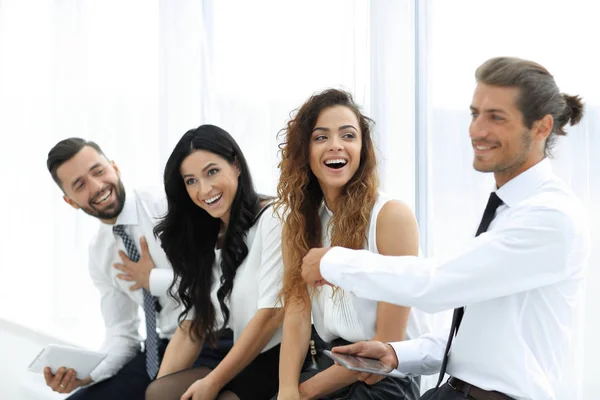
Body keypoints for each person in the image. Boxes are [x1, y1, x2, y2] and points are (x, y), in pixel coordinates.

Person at [300, 57, 590, 400]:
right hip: (451, 391)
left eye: (496, 117)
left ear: (541, 128)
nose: (477, 130)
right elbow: (479, 337)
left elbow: (434, 283)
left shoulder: (550, 216)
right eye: (474, 114)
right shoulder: (508, 210)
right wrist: (397, 354)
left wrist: (332, 262)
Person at [45, 138, 231, 400]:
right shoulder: (100, 252)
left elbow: (217, 285)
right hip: (159, 350)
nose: (97, 186)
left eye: (98, 171)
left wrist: (154, 279)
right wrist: (88, 374)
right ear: (71, 201)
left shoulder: (168, 207)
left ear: (115, 167)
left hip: (215, 338)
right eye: (80, 184)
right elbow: (123, 333)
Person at [275, 88, 429, 400]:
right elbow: (297, 313)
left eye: (348, 135)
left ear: (362, 148)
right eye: (321, 137)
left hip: (387, 375)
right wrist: (287, 390)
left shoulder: (390, 217)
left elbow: (387, 338)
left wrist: (304, 392)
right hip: (329, 362)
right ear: (304, 151)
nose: (336, 146)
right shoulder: (301, 223)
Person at [145, 124, 285, 400]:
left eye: (212, 172)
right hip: (247, 357)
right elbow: (192, 326)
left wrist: (213, 381)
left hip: (286, 356)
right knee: (159, 393)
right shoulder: (208, 237)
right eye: (191, 181)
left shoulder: (276, 218)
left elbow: (272, 314)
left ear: (236, 165)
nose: (204, 189)